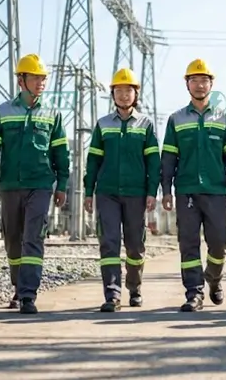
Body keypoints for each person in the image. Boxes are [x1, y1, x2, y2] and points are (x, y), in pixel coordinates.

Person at [0, 53, 70, 315]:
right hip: (10, 185)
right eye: (36, 77)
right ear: (22, 80)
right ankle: (18, 287)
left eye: (43, 78)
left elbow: (61, 153)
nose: (41, 82)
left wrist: (62, 183)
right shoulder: (3, 112)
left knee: (33, 238)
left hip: (40, 185)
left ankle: (29, 294)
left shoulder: (53, 114)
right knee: (13, 240)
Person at [160, 58, 226, 312]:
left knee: (219, 242)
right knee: (188, 243)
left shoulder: (224, 119)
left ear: (211, 85)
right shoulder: (176, 119)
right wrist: (166, 189)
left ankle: (214, 279)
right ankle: (194, 293)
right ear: (187, 84)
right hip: (186, 190)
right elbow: (168, 158)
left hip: (216, 190)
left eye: (204, 80)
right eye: (194, 80)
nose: (199, 85)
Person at [83, 67, 161, 312]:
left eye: (128, 90)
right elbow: (93, 160)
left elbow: (153, 162)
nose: (124, 95)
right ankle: (112, 294)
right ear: (112, 94)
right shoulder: (103, 124)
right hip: (107, 192)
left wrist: (152, 191)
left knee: (135, 244)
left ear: (135, 94)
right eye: (119, 90)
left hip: (136, 193)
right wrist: (88, 191)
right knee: (109, 242)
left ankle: (135, 287)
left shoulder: (146, 125)